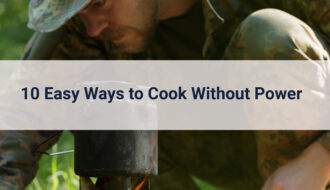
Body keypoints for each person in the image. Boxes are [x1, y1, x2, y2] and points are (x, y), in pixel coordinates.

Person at [1, 0, 329, 189]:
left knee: (269, 33)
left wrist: (320, 161)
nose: (93, 27)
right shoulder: (88, 26)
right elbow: (19, 121)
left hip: (311, 162)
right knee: (106, 93)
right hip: (209, 152)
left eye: (99, 2)